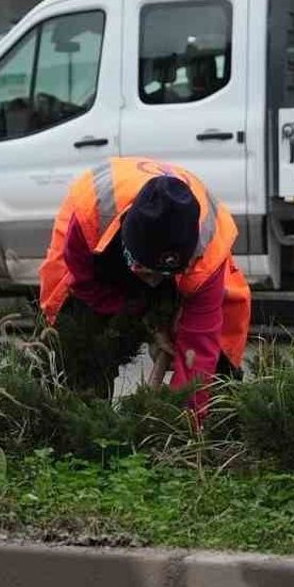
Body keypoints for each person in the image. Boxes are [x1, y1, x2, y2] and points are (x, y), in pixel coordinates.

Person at [38, 157, 251, 409]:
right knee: (80, 346)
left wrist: (178, 424)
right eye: (144, 271)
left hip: (186, 267)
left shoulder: (207, 252)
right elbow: (85, 286)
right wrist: (145, 320)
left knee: (215, 362)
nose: (151, 282)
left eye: (160, 275)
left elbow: (199, 350)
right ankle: (86, 417)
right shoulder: (91, 215)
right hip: (97, 262)